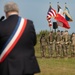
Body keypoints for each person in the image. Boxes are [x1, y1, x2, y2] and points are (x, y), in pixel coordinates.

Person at [0, 2, 40, 75]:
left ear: (5, 12)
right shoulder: (29, 23)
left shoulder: (1, 25)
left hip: (8, 67)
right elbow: (34, 42)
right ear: (18, 11)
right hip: (27, 66)